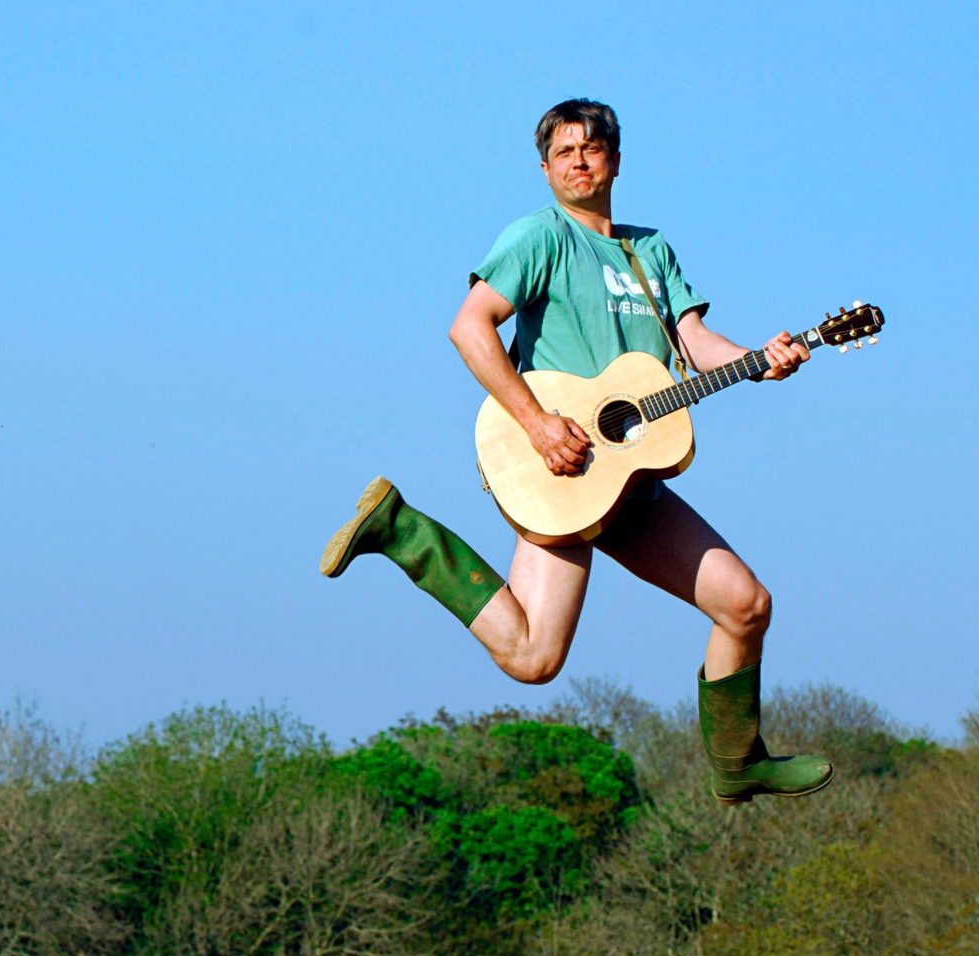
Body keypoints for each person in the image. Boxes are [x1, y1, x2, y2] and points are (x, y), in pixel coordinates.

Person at [320, 99, 832, 805]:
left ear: (616, 161)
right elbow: (470, 329)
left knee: (744, 605)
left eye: (593, 149)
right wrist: (535, 423)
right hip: (560, 466)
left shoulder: (649, 251)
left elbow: (692, 344)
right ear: (545, 168)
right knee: (535, 659)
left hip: (633, 480)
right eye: (565, 152)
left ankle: (738, 762)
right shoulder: (539, 238)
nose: (580, 161)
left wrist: (758, 359)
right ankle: (406, 533)